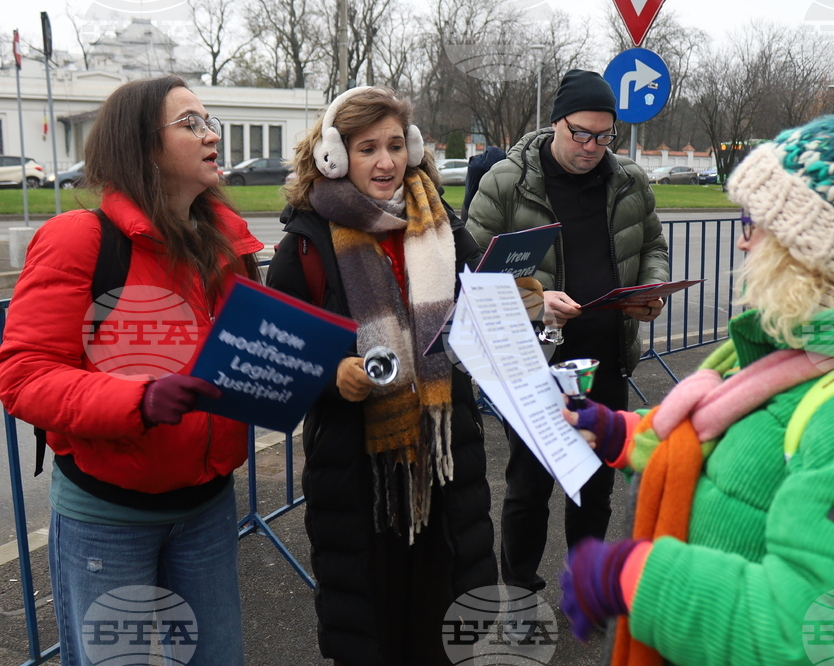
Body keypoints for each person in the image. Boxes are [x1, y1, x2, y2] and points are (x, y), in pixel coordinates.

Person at [558, 73, 834, 665]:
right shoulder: (812, 349)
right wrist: (622, 433)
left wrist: (636, 576)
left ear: (817, 257)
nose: (742, 244)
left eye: (753, 224)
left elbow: (821, 639)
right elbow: (752, 446)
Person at [0, 76, 263, 665]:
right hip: (107, 519)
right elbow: (25, 377)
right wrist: (139, 400)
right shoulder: (77, 240)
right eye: (190, 124)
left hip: (208, 507)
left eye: (209, 121)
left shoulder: (226, 242)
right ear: (141, 145)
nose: (212, 135)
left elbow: (242, 351)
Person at [266, 86, 496, 665]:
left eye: (395, 145)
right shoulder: (305, 244)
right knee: (372, 626)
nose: (387, 161)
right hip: (357, 471)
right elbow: (279, 355)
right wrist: (332, 373)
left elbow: (484, 301)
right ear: (333, 156)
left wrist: (532, 299)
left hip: (446, 457)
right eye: (368, 148)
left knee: (447, 623)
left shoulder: (442, 223)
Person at [466, 69, 670, 594]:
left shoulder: (628, 179)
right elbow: (470, 271)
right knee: (528, 487)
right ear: (555, 123)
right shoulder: (506, 182)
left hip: (605, 357)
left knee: (596, 484)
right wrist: (537, 300)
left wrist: (651, 290)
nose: (592, 147)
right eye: (581, 133)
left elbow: (653, 246)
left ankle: (586, 588)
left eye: (604, 136)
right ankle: (519, 591)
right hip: (533, 363)